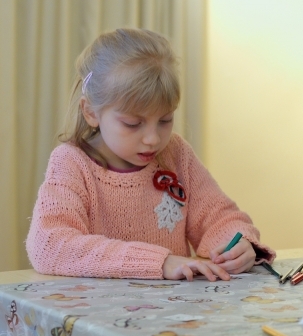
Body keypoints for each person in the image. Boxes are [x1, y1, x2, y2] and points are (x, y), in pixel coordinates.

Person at [26, 28, 275, 281]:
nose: (153, 139)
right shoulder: (71, 162)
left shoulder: (175, 154)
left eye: (165, 120)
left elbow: (219, 218)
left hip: (173, 315)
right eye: (133, 124)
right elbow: (50, 245)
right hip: (98, 316)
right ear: (90, 112)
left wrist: (240, 245)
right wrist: (159, 262)